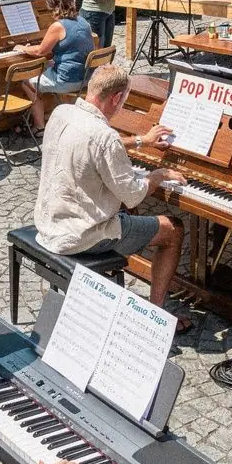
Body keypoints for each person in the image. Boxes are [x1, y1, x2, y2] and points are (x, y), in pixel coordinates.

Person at [33, 63, 190, 329]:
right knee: (173, 229)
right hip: (82, 235)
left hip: (49, 224)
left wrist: (141, 140)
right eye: (124, 102)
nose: (121, 108)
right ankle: (157, 319)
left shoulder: (62, 112)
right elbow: (134, 195)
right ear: (116, 98)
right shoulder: (105, 138)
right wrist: (158, 175)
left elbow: (100, 142)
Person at [15, 0, 94, 131]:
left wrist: (22, 48)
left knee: (26, 83)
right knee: (48, 64)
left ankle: (39, 127)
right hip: (85, 78)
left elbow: (40, 51)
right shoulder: (83, 21)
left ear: (53, 8)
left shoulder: (58, 26)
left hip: (68, 80)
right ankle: (61, 114)